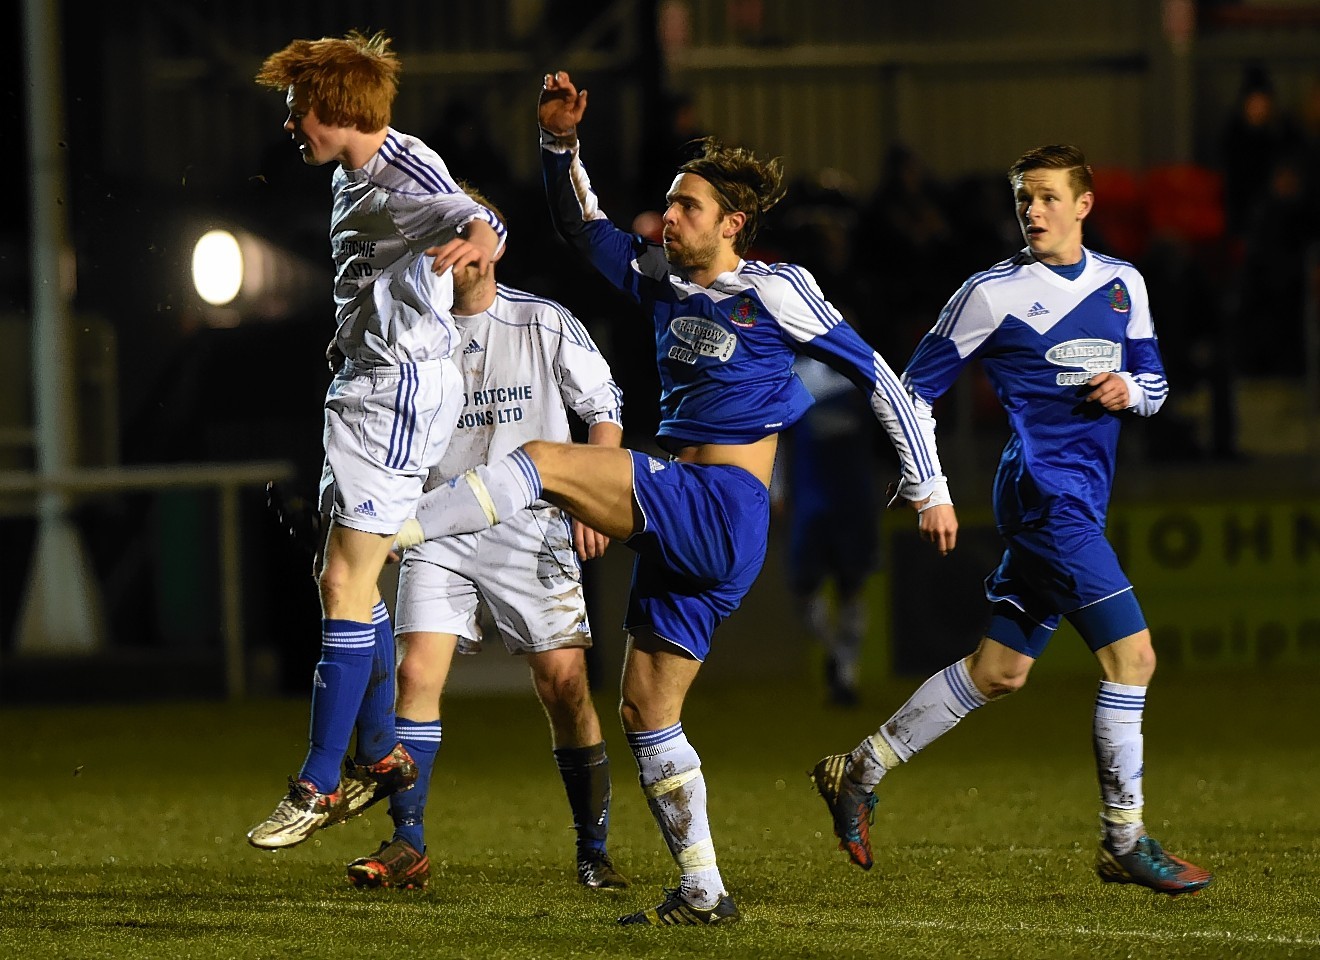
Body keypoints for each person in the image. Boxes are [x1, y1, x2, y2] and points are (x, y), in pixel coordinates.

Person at [392, 70, 957, 926]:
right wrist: (558, 144)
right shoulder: (661, 277)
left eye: (687, 207)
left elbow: (881, 376)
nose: (669, 218)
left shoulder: (775, 288)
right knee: (645, 708)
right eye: (667, 203)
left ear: (733, 224)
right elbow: (583, 229)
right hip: (682, 509)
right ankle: (702, 890)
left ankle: (391, 531)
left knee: (545, 458)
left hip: (722, 503)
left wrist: (930, 486)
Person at [810, 145, 1214, 896]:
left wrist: (1131, 388)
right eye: (1024, 198)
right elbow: (908, 392)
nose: (1033, 211)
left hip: (1082, 497)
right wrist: (928, 484)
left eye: (1049, 197)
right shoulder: (991, 294)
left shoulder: (1125, 284)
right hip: (1042, 494)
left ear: (1084, 205)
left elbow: (1157, 382)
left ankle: (856, 770)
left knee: (1000, 673)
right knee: (1135, 659)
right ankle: (1124, 840)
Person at [246, 30, 506, 850]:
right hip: (359, 390)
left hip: (394, 396)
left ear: (332, 110)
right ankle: (384, 752)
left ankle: (320, 782)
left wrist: (480, 239)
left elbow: (477, 213)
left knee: (342, 581)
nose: (291, 126)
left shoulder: (404, 167)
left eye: (298, 112)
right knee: (352, 585)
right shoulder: (351, 171)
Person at [342, 188, 630, 892]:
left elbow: (604, 408)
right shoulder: (411, 334)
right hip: (437, 529)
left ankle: (593, 850)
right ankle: (407, 841)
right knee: (415, 676)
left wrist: (593, 496)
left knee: (563, 685)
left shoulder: (543, 322)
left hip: (530, 529)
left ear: (493, 242)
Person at [773, 354, 885, 707]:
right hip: (812, 501)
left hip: (854, 500)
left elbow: (888, 433)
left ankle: (847, 675)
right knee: (804, 589)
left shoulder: (864, 373)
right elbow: (775, 436)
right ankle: (836, 654)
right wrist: (776, 489)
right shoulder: (797, 376)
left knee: (852, 587)